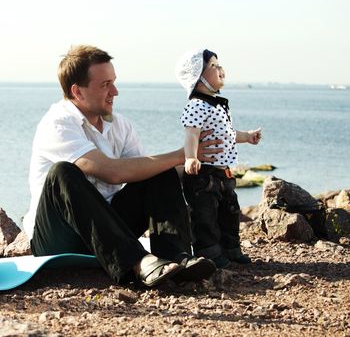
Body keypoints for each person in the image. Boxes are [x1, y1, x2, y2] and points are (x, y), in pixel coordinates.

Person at [23, 45, 220, 287]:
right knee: (62, 173)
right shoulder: (57, 123)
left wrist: (197, 159)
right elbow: (113, 172)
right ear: (78, 92)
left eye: (113, 82)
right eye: (104, 85)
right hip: (59, 236)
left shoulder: (119, 125)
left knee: (159, 170)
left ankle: (176, 257)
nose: (114, 91)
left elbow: (144, 174)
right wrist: (182, 154)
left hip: (107, 228)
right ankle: (138, 263)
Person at [175, 48, 262, 268]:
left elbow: (228, 134)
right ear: (198, 76)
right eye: (213, 66)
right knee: (205, 216)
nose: (220, 69)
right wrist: (190, 158)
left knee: (230, 212)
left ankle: (231, 250)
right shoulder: (197, 105)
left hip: (224, 172)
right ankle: (210, 255)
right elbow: (191, 133)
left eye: (218, 64)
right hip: (203, 174)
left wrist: (247, 136)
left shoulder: (218, 105)